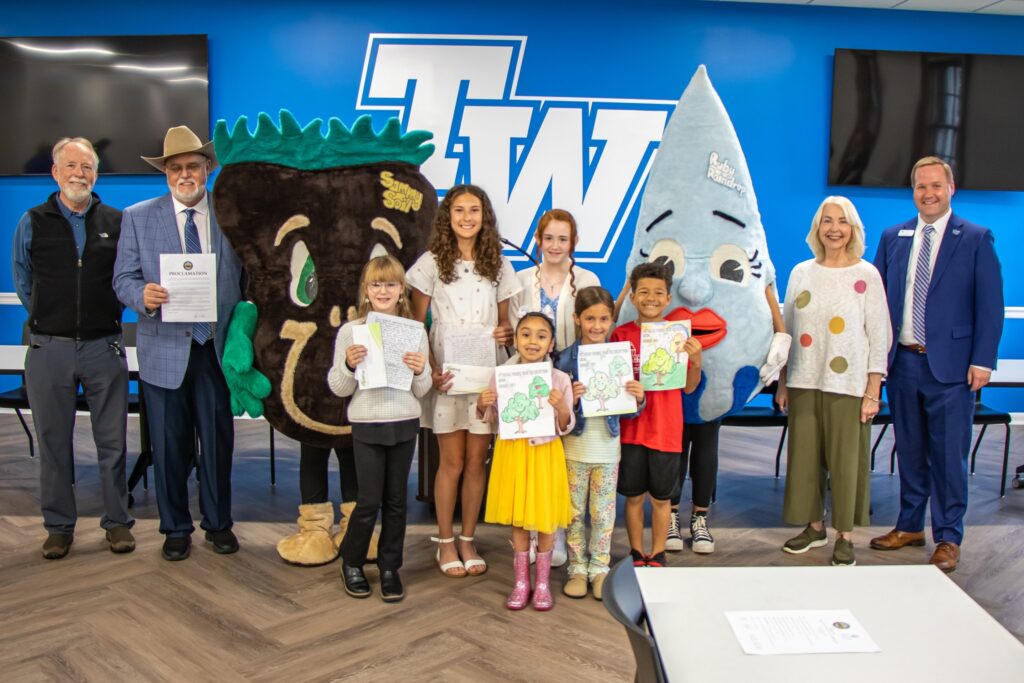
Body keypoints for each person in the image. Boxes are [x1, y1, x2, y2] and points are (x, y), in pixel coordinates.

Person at [113, 126, 243, 561]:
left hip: (215, 349)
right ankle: (174, 528)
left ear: (208, 168)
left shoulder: (231, 215)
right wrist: (141, 297)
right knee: (167, 446)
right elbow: (122, 279)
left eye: (192, 165)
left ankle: (219, 524)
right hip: (163, 348)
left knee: (217, 441)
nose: (184, 174)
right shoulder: (137, 216)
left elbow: (248, 281)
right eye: (175, 168)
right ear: (165, 174)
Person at [870, 156, 1004, 573]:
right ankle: (910, 525)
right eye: (920, 187)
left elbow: (991, 306)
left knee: (948, 456)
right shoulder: (893, 236)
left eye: (935, 186)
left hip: (952, 368)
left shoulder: (976, 238)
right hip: (904, 363)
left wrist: (983, 360)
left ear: (951, 189)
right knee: (909, 450)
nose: (928, 194)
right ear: (913, 192)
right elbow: (876, 303)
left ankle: (948, 536)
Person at [12, 137, 134, 559]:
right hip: (50, 349)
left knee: (113, 442)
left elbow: (125, 279)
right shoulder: (33, 220)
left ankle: (118, 523)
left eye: (87, 167)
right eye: (71, 166)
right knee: (53, 441)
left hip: (105, 347)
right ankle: (59, 526)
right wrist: (52, 318)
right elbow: (24, 281)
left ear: (96, 174)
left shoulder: (117, 222)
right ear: (55, 172)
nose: (79, 174)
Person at [408, 184, 520, 578]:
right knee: (450, 463)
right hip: (449, 376)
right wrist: (432, 370)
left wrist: (505, 334)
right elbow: (417, 324)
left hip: (486, 377)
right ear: (447, 216)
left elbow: (507, 326)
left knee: (477, 462)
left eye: (474, 210)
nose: (467, 217)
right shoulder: (430, 264)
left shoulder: (501, 266)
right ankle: (444, 540)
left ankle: (468, 538)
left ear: (484, 216)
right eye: (459, 210)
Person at [775, 197, 891, 566]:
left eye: (842, 221)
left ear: (853, 229)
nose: (834, 228)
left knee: (845, 462)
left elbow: (879, 335)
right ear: (817, 227)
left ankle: (844, 535)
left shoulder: (867, 275)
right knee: (805, 459)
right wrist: (782, 382)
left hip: (850, 386)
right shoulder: (800, 273)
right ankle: (814, 527)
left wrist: (873, 390)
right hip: (804, 380)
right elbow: (787, 332)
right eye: (827, 220)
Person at [327, 255, 432, 602]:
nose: (383, 290)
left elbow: (422, 389)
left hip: (403, 421)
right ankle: (352, 562)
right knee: (369, 501)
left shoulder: (415, 331)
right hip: (368, 424)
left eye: (390, 284)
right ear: (366, 291)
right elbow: (339, 388)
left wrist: (420, 371)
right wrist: (347, 364)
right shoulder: (351, 332)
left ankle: (390, 567)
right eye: (376, 284)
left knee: (397, 501)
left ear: (402, 290)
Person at [510, 208, 600, 566]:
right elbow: (516, 334)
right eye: (549, 238)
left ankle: (556, 532)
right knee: (532, 457)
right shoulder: (519, 279)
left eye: (563, 238)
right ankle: (529, 533)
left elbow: (594, 329)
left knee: (563, 457)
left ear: (573, 242)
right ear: (538, 239)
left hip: (570, 376)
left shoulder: (588, 277)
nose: (555, 245)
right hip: (530, 375)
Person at [479, 312, 574, 610]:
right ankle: (522, 582)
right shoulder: (501, 376)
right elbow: (493, 419)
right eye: (526, 334)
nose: (533, 341)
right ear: (516, 339)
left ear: (551, 343)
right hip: (514, 455)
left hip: (545, 455)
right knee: (519, 519)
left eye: (541, 336)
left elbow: (567, 423)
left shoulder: (559, 379)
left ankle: (543, 584)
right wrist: (484, 405)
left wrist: (560, 407)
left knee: (545, 520)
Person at [555, 287, 645, 599]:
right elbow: (556, 416)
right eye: (589, 318)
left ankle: (600, 569)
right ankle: (577, 567)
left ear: (612, 319)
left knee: (604, 514)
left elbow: (631, 411)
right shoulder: (564, 360)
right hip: (574, 451)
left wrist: (639, 396)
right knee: (575, 513)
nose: (596, 326)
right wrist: (571, 400)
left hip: (608, 450)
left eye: (604, 319)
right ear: (577, 319)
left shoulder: (619, 356)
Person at [610, 263, 701, 568]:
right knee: (633, 497)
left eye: (658, 293)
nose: (651, 298)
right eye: (644, 292)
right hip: (631, 430)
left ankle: (658, 552)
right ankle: (637, 552)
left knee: (662, 499)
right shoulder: (620, 335)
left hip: (666, 431)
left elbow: (689, 388)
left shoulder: (678, 336)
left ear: (668, 298)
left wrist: (696, 361)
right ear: (633, 297)